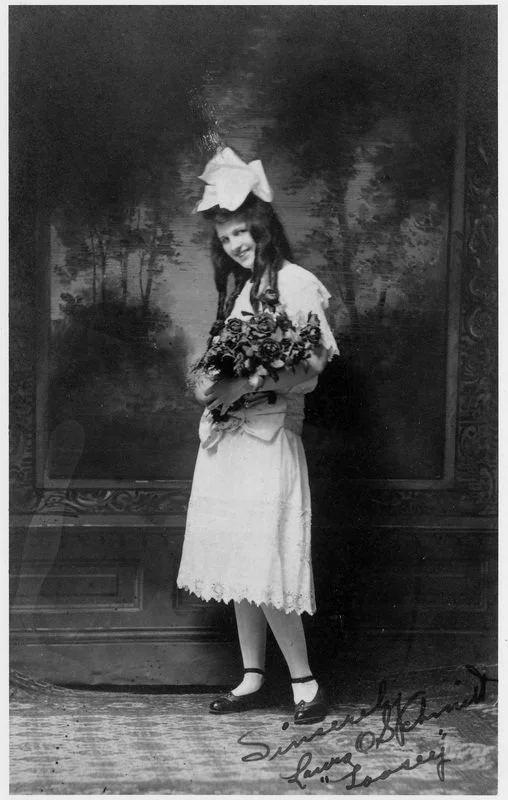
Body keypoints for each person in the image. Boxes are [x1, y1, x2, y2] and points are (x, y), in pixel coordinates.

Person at [177, 147, 339, 724]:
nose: (235, 245)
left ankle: (306, 685)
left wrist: (245, 384)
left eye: (242, 233)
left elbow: (313, 365)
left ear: (262, 228)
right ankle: (252, 677)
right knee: (239, 559)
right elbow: (224, 365)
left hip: (270, 438)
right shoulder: (244, 292)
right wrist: (211, 386)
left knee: (265, 561)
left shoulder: (297, 283)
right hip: (232, 442)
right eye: (225, 238)